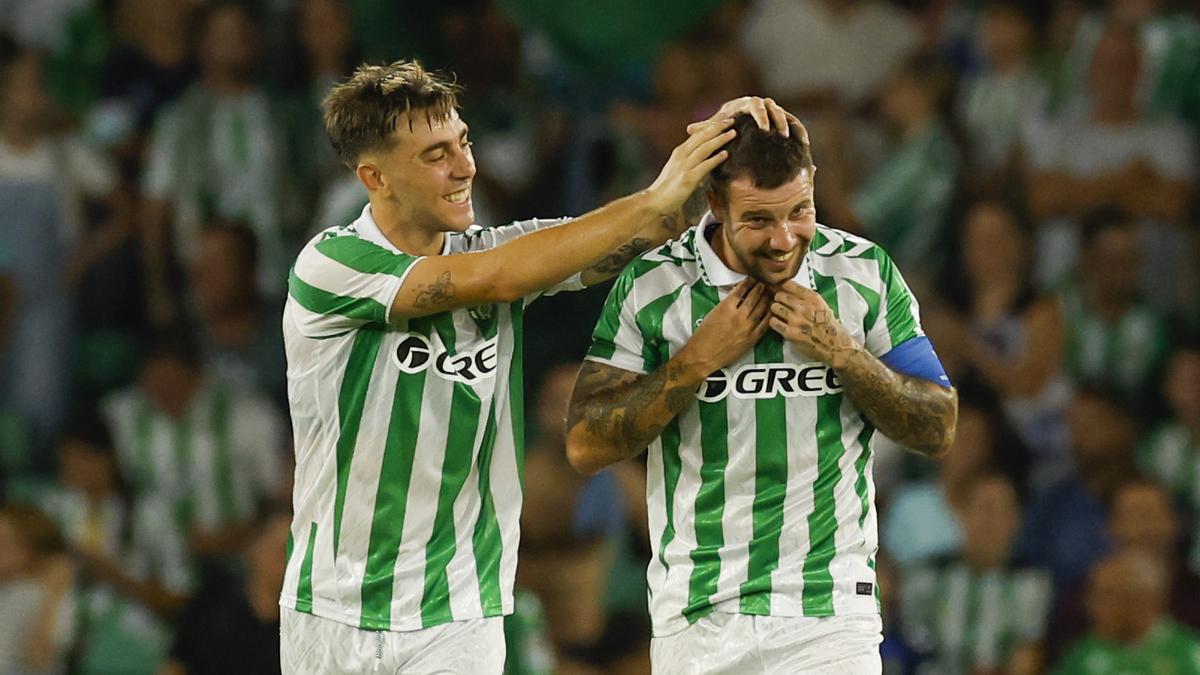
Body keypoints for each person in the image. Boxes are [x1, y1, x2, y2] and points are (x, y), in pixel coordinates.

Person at [277, 60, 779, 673]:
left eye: (463, 142)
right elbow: (496, 278)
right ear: (375, 177)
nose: (466, 167)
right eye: (437, 155)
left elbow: (645, 231)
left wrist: (724, 144)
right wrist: (655, 197)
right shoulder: (333, 265)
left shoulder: (500, 252)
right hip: (333, 609)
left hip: (456, 614)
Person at [566, 111, 958, 673]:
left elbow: (939, 425)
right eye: (758, 219)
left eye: (799, 212)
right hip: (697, 615)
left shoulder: (863, 274)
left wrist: (843, 354)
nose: (783, 239)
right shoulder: (654, 286)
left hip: (828, 615)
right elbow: (586, 443)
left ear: (814, 183)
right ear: (715, 204)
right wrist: (696, 361)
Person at [900, 473, 1052, 675]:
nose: (991, 521)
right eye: (985, 508)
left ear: (1016, 520)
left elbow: (1027, 656)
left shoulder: (1032, 583)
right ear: (961, 513)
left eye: (1002, 510)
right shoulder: (927, 576)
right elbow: (910, 644)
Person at [1053, 550, 1200, 674]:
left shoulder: (1189, 657)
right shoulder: (1083, 650)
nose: (1094, 607)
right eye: (1094, 595)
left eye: (1109, 595)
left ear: (1147, 601)